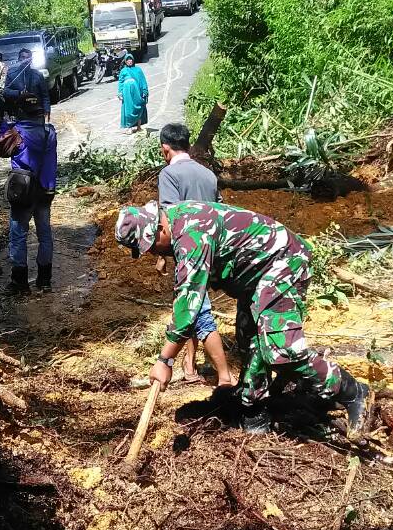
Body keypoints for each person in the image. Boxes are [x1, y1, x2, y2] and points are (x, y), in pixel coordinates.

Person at [115, 201, 370, 435]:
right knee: (249, 339)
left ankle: (351, 391)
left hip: (282, 263)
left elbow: (188, 307)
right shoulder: (175, 223)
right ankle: (254, 408)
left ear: (159, 229)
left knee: (280, 349)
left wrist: (165, 360)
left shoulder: (191, 234)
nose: (154, 253)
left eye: (152, 247)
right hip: (256, 278)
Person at [156, 123, 235, 387]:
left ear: (165, 149)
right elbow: (221, 210)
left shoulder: (169, 174)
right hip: (215, 247)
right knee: (194, 302)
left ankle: (214, 372)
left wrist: (161, 255)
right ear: (188, 145)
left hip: (188, 248)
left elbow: (169, 218)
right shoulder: (207, 174)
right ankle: (190, 364)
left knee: (193, 305)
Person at [3, 47, 56, 293]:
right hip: (45, 190)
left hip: (23, 193)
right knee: (44, 234)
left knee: (18, 234)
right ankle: (45, 280)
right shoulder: (50, 133)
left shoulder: (16, 133)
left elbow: (0, 144)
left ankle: (20, 281)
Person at [118, 53, 148, 134]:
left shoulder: (138, 70)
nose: (129, 61)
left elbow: (143, 80)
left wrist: (145, 91)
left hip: (137, 92)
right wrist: (120, 93)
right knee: (129, 110)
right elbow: (120, 82)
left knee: (139, 107)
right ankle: (129, 127)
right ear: (125, 61)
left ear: (133, 60)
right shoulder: (123, 71)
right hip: (127, 94)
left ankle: (138, 127)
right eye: (127, 60)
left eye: (130, 59)